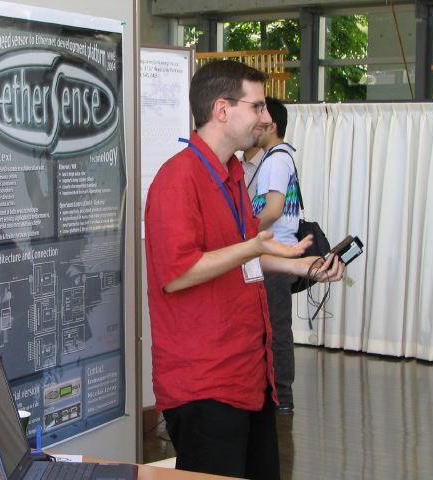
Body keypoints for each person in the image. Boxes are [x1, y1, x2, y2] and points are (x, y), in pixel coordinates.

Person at [144, 60, 344, 480]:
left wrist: (301, 265)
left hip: (250, 375)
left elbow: (240, 254)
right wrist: (252, 247)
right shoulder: (176, 180)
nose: (266, 118)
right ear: (222, 109)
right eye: (256, 107)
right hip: (206, 386)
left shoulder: (233, 174)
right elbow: (178, 274)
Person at [252, 96, 300, 414]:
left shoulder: (276, 160)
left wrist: (241, 234)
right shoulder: (279, 157)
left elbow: (272, 210)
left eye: (260, 119)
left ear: (272, 126)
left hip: (275, 256)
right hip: (277, 255)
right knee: (274, 326)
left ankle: (281, 396)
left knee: (276, 328)